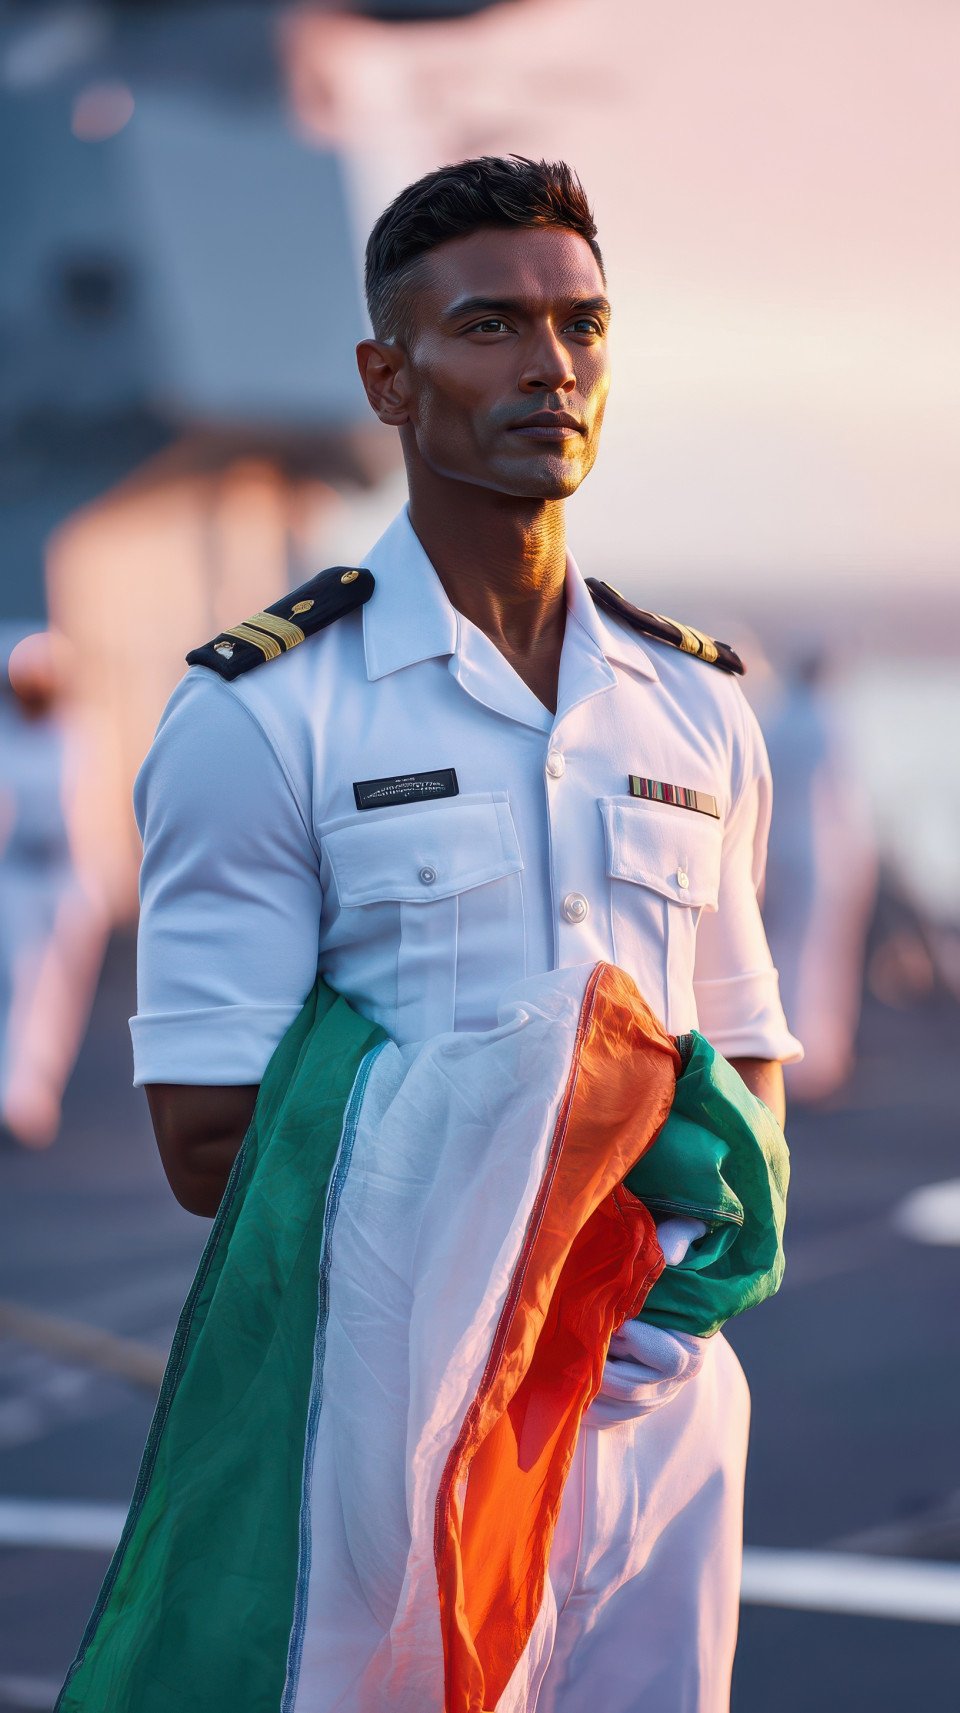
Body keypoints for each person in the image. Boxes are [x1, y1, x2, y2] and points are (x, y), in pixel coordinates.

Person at [128, 158, 800, 1710]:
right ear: (389, 377)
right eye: (492, 325)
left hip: (661, 1421)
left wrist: (667, 1287)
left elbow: (750, 1068)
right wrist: (542, 1222)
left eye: (582, 325)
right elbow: (210, 1137)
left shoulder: (696, 706)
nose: (551, 366)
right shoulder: (265, 711)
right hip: (397, 1423)